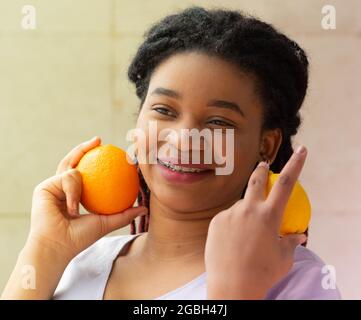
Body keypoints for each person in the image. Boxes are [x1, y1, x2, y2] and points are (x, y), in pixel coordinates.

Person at [1, 6, 341, 300]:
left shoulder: (296, 278)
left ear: (265, 145)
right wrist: (46, 249)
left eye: (219, 121)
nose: (183, 139)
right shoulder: (79, 264)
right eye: (164, 110)